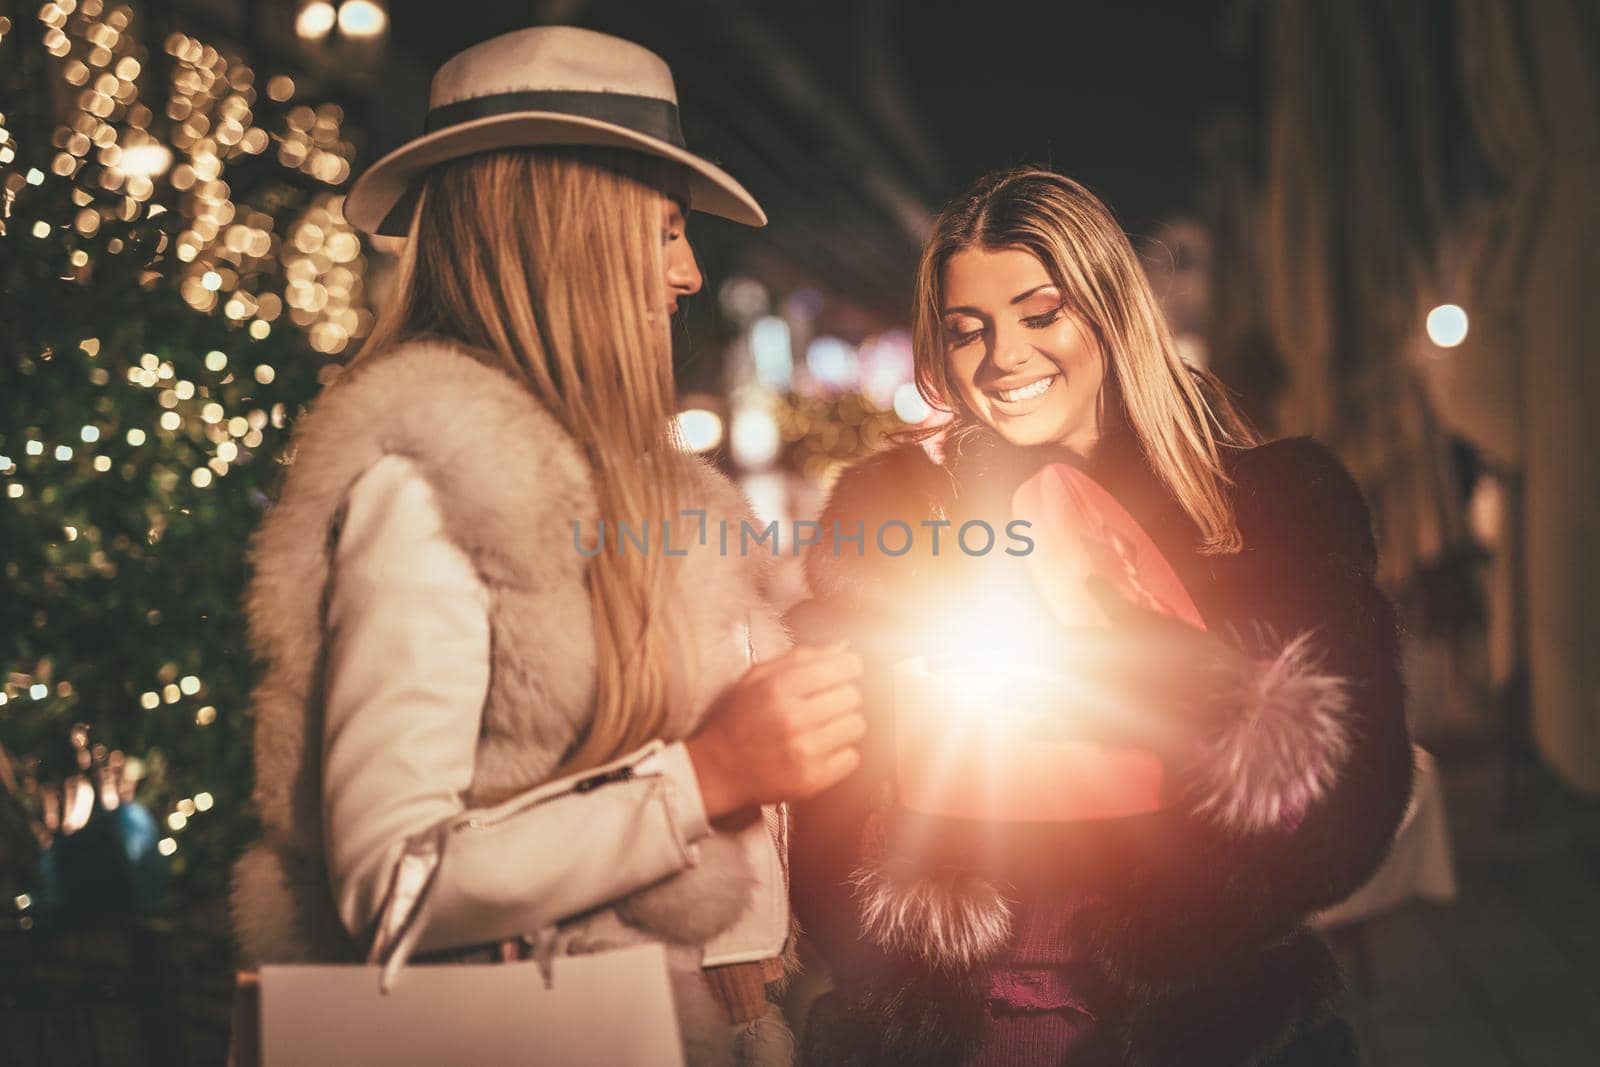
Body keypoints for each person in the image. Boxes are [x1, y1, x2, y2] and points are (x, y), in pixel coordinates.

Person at [229, 26, 864, 1066]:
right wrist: (706, 772)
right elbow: (393, 877)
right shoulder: (435, 486)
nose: (690, 271)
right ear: (568, 233)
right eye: (664, 231)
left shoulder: (652, 494)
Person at [787, 167, 1413, 1065]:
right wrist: (915, 869)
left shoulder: (1272, 510)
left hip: (1203, 1026)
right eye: (971, 331)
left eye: (1042, 316)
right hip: (965, 1031)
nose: (1005, 359)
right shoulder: (898, 523)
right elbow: (826, 832)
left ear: (1111, 311)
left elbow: (1348, 813)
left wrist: (1180, 691)